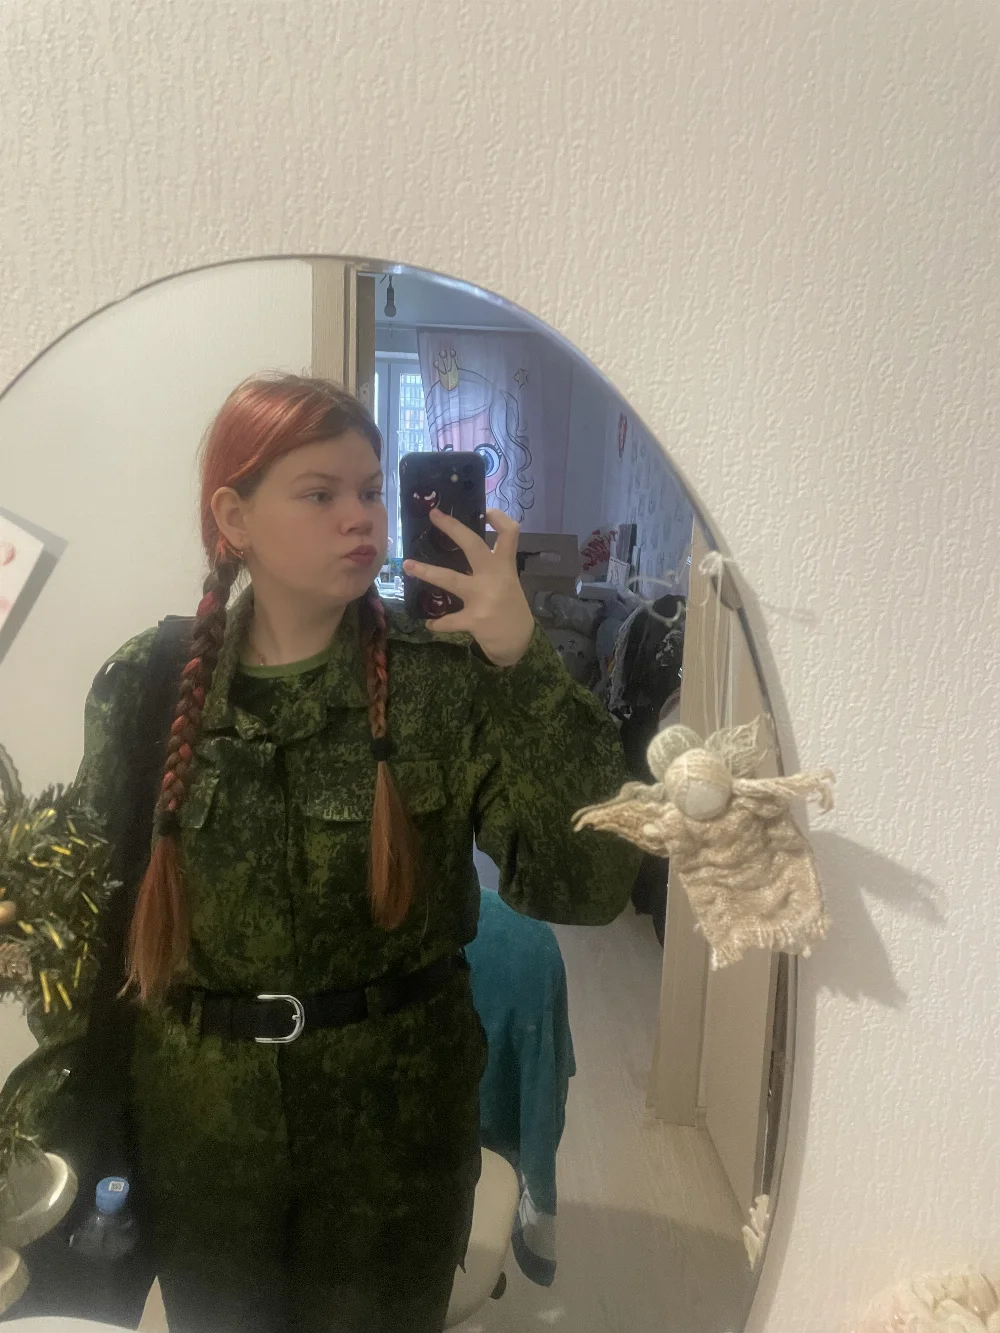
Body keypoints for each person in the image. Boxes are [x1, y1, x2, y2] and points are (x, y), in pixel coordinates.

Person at [0, 374, 640, 1333]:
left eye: (371, 490)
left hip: (396, 1140)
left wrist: (524, 662)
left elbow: (588, 883)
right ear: (234, 518)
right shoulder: (149, 682)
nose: (361, 517)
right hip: (200, 1140)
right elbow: (85, 925)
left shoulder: (444, 677)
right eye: (320, 492)